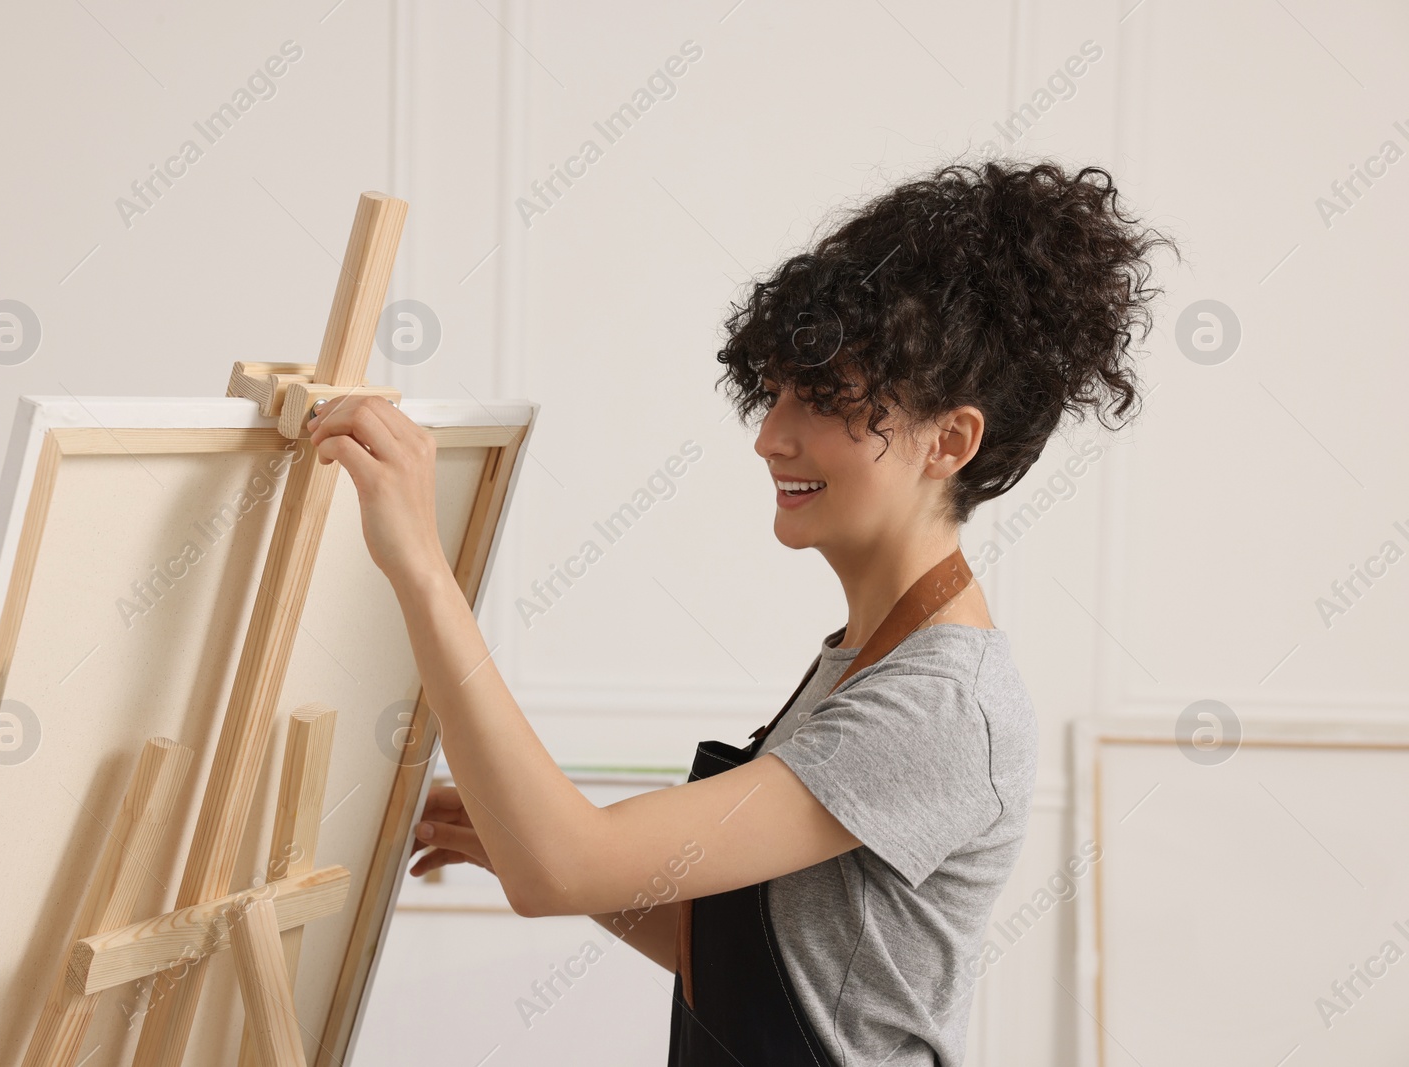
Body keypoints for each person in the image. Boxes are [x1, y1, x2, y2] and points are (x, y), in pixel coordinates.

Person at [306, 157, 1174, 1066]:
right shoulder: (871, 655)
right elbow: (770, 967)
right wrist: (526, 843)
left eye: (826, 400)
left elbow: (559, 862)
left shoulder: (939, 704)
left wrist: (418, 563)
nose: (770, 434)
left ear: (949, 441)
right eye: (778, 391)